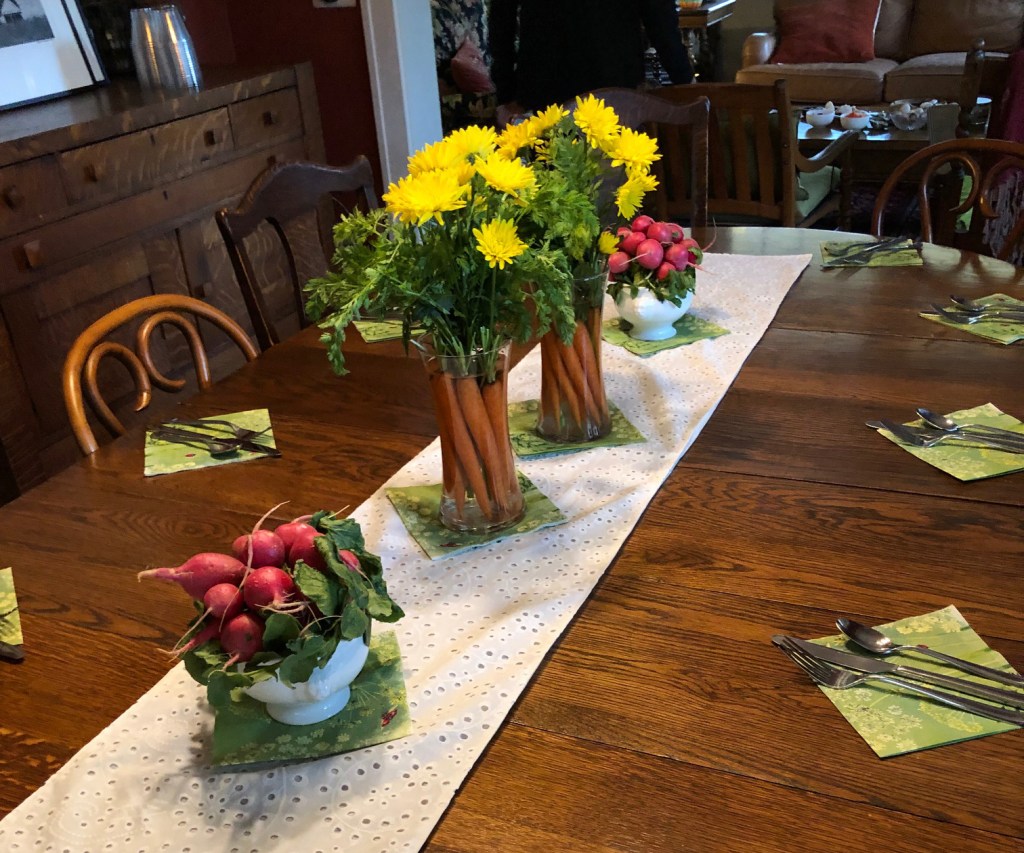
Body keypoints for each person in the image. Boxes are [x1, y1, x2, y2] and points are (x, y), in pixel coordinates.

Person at [489, 0, 693, 117]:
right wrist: (686, 82)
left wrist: (506, 94)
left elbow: (501, 19)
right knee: (616, 175)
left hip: (543, 87)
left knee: (547, 175)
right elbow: (661, 23)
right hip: (614, 86)